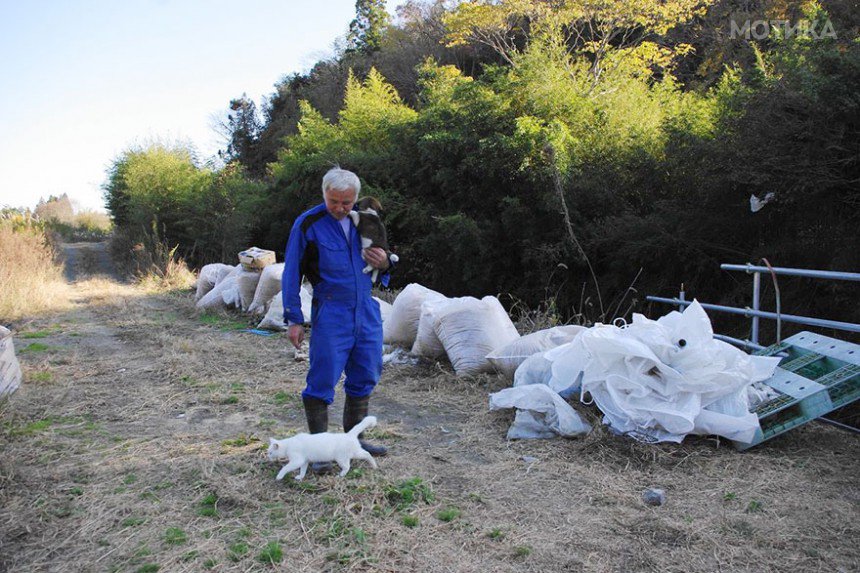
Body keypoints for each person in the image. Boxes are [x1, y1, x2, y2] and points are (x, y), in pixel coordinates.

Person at [281, 167, 392, 471]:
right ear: (324, 194)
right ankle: (317, 453)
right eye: (334, 202)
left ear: (356, 198)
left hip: (366, 309)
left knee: (366, 373)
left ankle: (353, 442)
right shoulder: (308, 224)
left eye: (347, 202)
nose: (341, 209)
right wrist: (294, 318)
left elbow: (385, 260)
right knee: (322, 379)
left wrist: (383, 262)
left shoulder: (366, 221)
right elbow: (291, 273)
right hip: (331, 310)